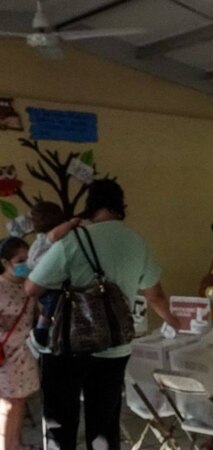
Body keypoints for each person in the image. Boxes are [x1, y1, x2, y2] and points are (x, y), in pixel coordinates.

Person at [24, 179, 180, 450]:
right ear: (120, 207)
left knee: (60, 422)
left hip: (67, 347)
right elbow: (154, 294)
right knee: (104, 426)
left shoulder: (74, 240)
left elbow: (32, 287)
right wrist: (173, 321)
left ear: (91, 207)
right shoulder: (137, 242)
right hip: (113, 347)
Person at [26, 201, 80, 353]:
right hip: (47, 280)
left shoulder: (41, 239)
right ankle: (40, 332)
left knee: (52, 306)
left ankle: (43, 331)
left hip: (43, 279)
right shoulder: (49, 236)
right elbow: (56, 234)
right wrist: (71, 223)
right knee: (52, 304)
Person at [0, 237, 37, 450]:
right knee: (7, 404)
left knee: (20, 400)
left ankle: (16, 444)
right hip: (5, 356)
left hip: (24, 354)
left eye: (28, 258)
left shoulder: (29, 285)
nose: (25, 264)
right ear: (5, 262)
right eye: (19, 260)